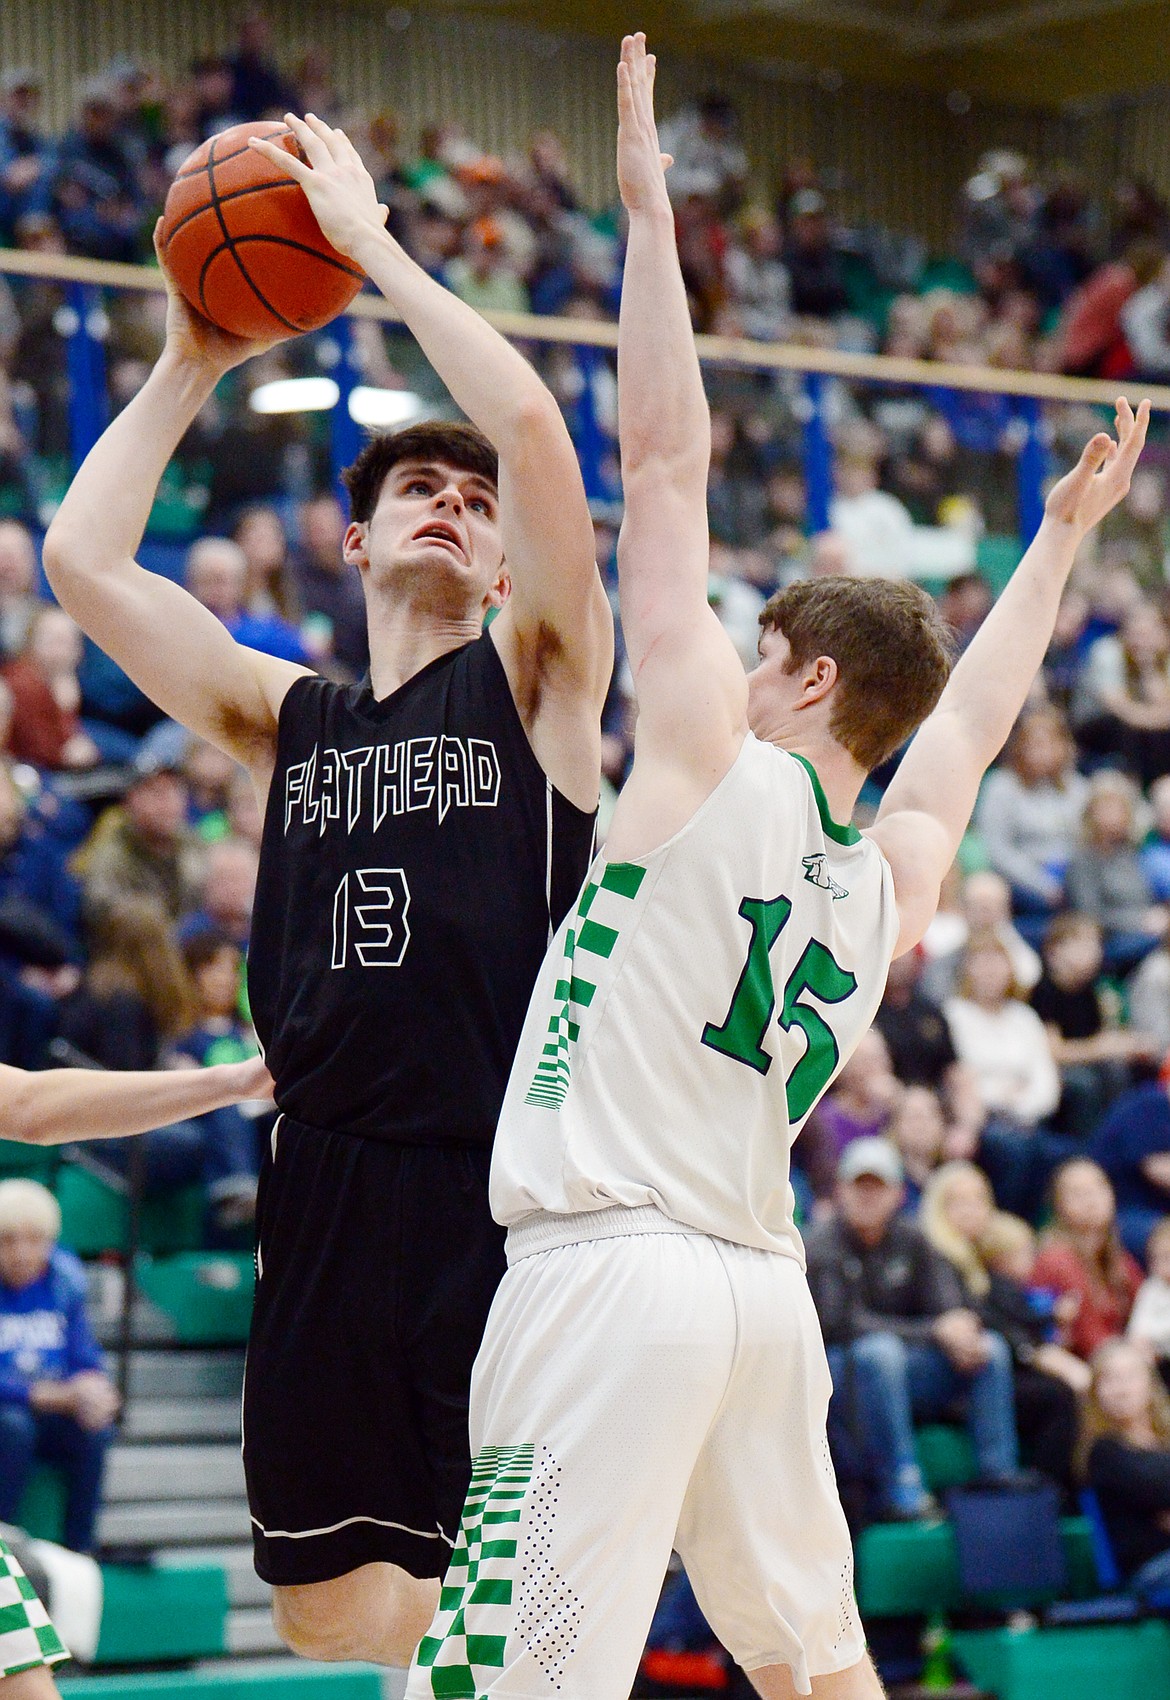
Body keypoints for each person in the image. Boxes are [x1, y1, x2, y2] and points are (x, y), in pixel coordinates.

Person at [404, 37, 1148, 1700]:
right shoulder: (891, 877)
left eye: (761, 646)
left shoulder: (697, 763)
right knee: (815, 1671)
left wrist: (652, 210)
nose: (732, 663)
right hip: (760, 1294)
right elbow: (962, 730)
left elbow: (663, 464)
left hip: (609, 1270)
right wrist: (1056, 547)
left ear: (808, 679)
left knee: (495, 1677)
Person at [44, 105, 610, 1662]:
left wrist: (369, 250)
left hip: (504, 1189)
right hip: (324, 1187)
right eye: (415, 490)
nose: (453, 499)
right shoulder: (284, 718)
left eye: (474, 500)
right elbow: (85, 569)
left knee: (529, 1625)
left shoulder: (540, 683)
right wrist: (188, 360)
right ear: (350, 542)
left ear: (504, 568)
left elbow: (545, 438)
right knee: (333, 1622)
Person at [810, 1141, 1022, 1524]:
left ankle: (997, 1474)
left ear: (898, 1193)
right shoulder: (821, 1243)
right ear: (840, 1190)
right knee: (880, 1351)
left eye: (878, 1187)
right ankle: (902, 1485)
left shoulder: (915, 1239)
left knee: (989, 1348)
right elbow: (839, 1322)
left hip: (903, 1368)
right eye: (859, 1186)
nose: (867, 1196)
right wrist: (934, 1331)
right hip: (840, 1374)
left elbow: (948, 1304)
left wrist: (960, 1329)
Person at [920, 1162, 1082, 1489]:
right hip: (951, 1374)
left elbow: (1009, 1314)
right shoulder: (936, 1255)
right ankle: (1040, 1493)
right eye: (959, 1202)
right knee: (1056, 1396)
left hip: (985, 1364)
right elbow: (972, 1321)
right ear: (939, 1208)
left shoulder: (982, 1256)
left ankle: (1047, 1493)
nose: (972, 1211)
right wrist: (1033, 1354)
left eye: (979, 1200)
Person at [0, 1178, 118, 1553]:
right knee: (14, 1427)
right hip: (10, 1413)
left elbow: (84, 1355)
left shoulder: (64, 1280)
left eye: (34, 1240)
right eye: (7, 1240)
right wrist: (40, 1394)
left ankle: (80, 1552)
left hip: (52, 1408)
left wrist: (95, 1386)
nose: (21, 1253)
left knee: (93, 1432)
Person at [1080, 1338, 1170, 1601]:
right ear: (1096, 1392)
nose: (1122, 1388)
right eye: (1109, 1380)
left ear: (1150, 1384)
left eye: (1130, 1377)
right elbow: (1160, 1491)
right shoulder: (1105, 1452)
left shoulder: (1163, 1442)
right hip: (1151, 1571)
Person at [1033, 1159, 1143, 1360]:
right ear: (1058, 1205)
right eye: (1077, 1193)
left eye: (1099, 1187)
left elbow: (1144, 1306)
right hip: (1085, 1368)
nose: (1091, 1199)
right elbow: (1089, 1340)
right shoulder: (1056, 1259)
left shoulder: (1118, 1258)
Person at [1127, 1215, 1170, 1384]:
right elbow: (1137, 1330)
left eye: (1167, 1257)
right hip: (1157, 1362)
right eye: (1155, 1258)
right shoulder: (1151, 1289)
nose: (1162, 1265)